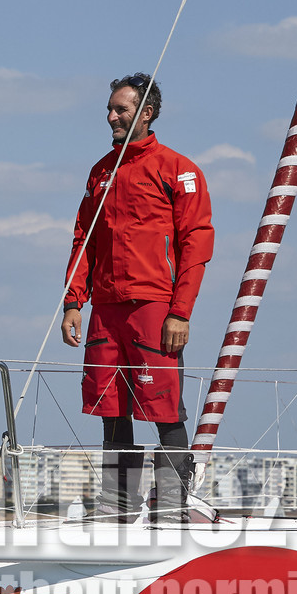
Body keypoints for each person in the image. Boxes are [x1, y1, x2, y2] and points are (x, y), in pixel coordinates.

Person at [59, 73, 214, 525]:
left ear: (145, 113)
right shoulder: (100, 172)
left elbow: (196, 244)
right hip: (105, 308)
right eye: (109, 110)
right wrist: (74, 301)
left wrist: (179, 312)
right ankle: (119, 507)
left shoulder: (177, 169)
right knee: (111, 407)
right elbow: (83, 239)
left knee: (164, 407)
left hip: (154, 306)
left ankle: (171, 507)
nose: (111, 117)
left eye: (120, 110)